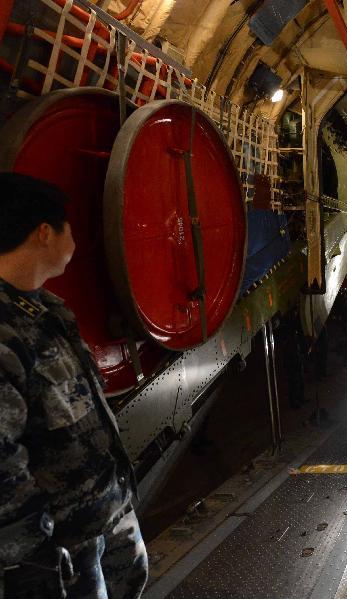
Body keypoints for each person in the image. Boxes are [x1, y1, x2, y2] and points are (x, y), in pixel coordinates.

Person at [0, 173, 147, 598]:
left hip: (104, 513)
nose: (74, 239)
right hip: (59, 547)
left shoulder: (48, 310)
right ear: (44, 233)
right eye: (68, 227)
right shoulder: (6, 332)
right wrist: (28, 556)